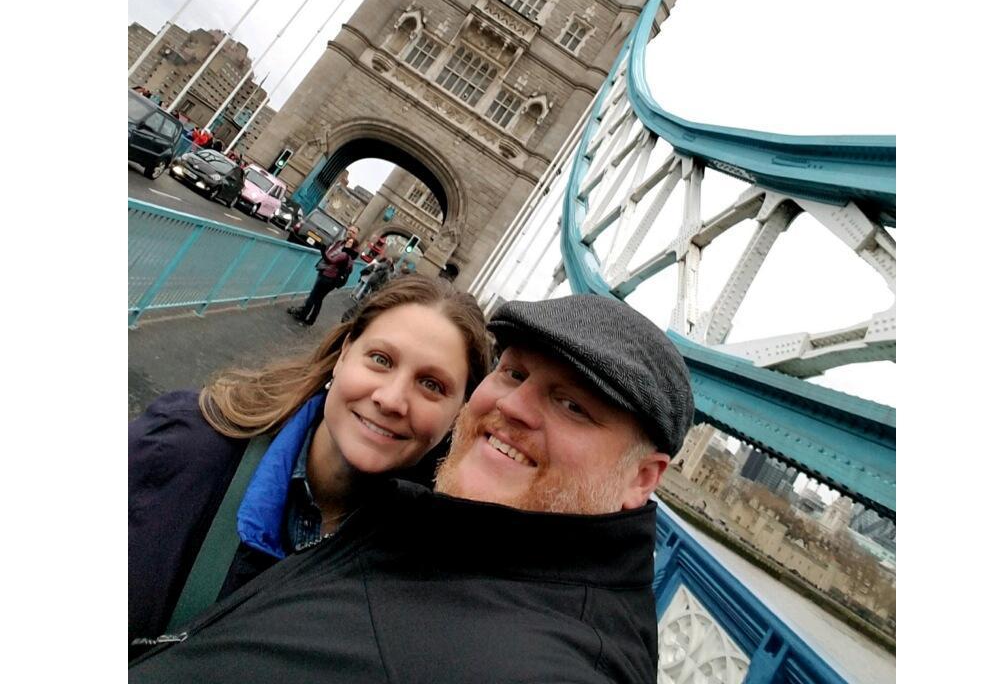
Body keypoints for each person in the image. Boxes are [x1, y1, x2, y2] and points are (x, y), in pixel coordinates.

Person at [128, 294, 693, 682]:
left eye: (573, 405)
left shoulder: (555, 655)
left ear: (642, 479)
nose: (513, 407)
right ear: (341, 352)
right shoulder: (417, 531)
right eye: (514, 374)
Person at [129, 275, 492, 651]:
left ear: (459, 413)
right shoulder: (180, 445)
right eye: (381, 360)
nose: (391, 399)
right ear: (345, 352)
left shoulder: (427, 584)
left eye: (432, 385)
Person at [287, 236, 355, 326]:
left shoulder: (344, 255)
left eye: (350, 243)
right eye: (348, 242)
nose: (347, 243)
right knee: (319, 300)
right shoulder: (351, 259)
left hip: (327, 277)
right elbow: (350, 270)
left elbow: (330, 260)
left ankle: (303, 316)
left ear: (352, 246)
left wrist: (323, 251)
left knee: (313, 297)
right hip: (333, 281)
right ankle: (311, 320)